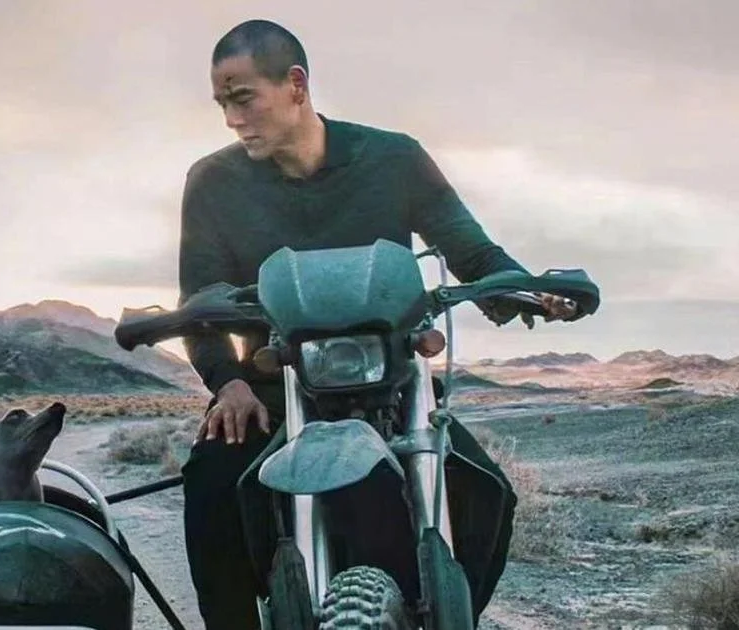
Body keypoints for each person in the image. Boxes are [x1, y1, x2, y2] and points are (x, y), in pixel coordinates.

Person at [177, 19, 577, 630]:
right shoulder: (212, 182)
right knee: (212, 486)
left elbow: (470, 249)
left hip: (390, 381)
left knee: (485, 494)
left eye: (242, 97)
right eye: (222, 104)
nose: (232, 118)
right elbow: (198, 299)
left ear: (295, 84)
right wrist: (226, 383)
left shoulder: (393, 158)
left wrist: (522, 289)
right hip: (275, 383)